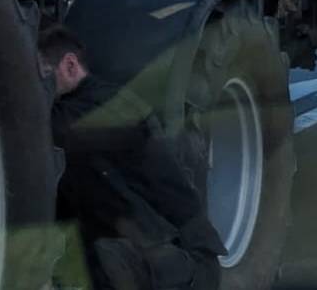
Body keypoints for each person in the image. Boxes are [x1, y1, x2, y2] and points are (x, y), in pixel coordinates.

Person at [42, 26, 224, 290]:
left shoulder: (110, 107)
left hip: (191, 265)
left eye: (44, 76)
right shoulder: (84, 105)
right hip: (157, 257)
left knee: (107, 260)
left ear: (70, 65)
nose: (40, 88)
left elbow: (50, 129)